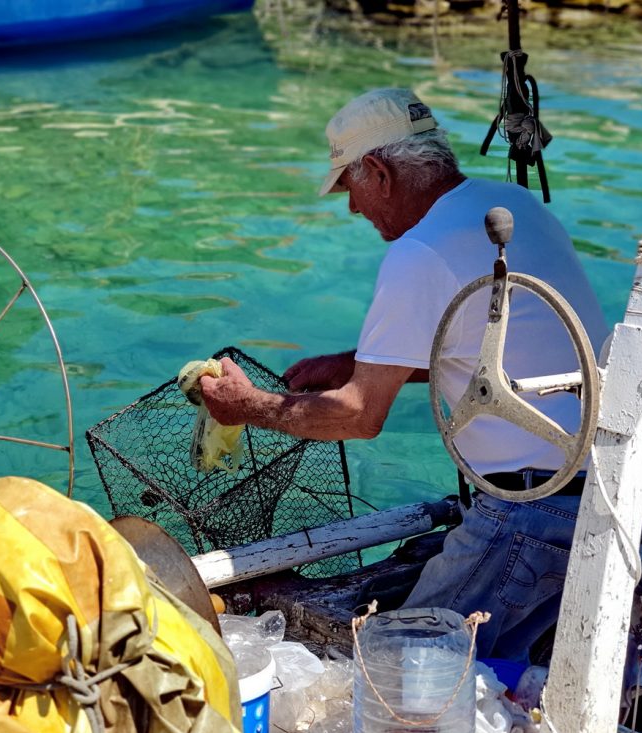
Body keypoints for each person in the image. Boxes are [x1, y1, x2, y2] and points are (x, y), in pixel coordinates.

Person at [198, 87, 610, 661]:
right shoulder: (513, 204)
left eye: (350, 187)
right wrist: (357, 363)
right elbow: (493, 345)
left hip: (531, 512)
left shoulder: (420, 253)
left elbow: (358, 416)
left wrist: (246, 407)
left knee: (396, 668)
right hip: (599, 488)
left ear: (379, 172)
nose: (353, 208)